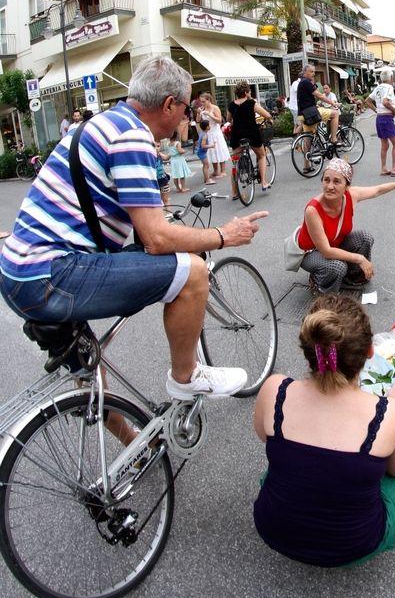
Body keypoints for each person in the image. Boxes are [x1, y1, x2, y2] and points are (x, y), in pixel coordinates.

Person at [0, 56, 267, 400]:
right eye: (186, 108)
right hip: (55, 274)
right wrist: (222, 236)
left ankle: (137, 447)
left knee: (91, 374)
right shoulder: (132, 136)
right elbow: (156, 239)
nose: (187, 117)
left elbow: (145, 226)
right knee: (193, 272)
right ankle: (186, 377)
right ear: (170, 104)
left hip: (17, 274)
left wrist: (169, 231)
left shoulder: (103, 124)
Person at [253, 293, 395, 567]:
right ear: (369, 353)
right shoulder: (392, 414)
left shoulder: (275, 389)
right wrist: (392, 405)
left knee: (283, 461)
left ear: (308, 349)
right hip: (355, 545)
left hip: (272, 531)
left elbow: (262, 434)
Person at [295, 158, 395, 294]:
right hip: (311, 253)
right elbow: (326, 251)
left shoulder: (351, 195)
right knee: (337, 267)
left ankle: (350, 277)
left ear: (347, 186)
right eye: (326, 180)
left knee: (365, 238)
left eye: (337, 181)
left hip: (334, 244)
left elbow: (377, 190)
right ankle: (320, 284)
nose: (330, 186)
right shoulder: (313, 210)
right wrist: (360, 258)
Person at [227, 80, 274, 196]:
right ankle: (263, 182)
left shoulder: (231, 105)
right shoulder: (251, 103)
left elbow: (228, 119)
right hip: (251, 134)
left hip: (237, 135)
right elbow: (267, 115)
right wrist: (270, 119)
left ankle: (234, 192)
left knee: (235, 162)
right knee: (262, 155)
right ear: (246, 92)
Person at [369, 69, 395, 176]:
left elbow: (367, 101)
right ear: (391, 78)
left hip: (379, 118)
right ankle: (394, 168)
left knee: (384, 144)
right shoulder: (389, 87)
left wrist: (376, 110)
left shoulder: (378, 87)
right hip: (387, 118)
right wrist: (394, 110)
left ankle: (384, 168)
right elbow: (385, 102)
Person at [296, 64, 339, 143]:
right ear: (305, 72)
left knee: (308, 138)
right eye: (311, 72)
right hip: (310, 113)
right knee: (335, 114)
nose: (314, 74)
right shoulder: (306, 82)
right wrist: (333, 103)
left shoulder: (302, 82)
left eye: (314, 72)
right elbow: (320, 96)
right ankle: (334, 138)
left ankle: (307, 155)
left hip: (303, 114)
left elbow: (305, 99)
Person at [199, 92, 230, 180]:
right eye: (201, 102)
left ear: (209, 100)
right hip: (208, 133)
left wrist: (209, 115)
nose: (202, 103)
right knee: (211, 152)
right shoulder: (203, 108)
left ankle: (223, 170)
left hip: (215, 132)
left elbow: (219, 120)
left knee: (219, 150)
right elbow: (199, 120)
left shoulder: (215, 108)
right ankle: (216, 170)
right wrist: (199, 114)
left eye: (203, 101)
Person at [196, 120, 213, 185]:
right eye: (209, 125)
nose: (210, 126)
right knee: (206, 165)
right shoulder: (205, 135)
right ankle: (207, 180)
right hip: (202, 152)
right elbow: (203, 146)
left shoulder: (202, 132)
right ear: (206, 127)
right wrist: (211, 146)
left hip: (200, 152)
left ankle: (206, 179)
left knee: (205, 165)